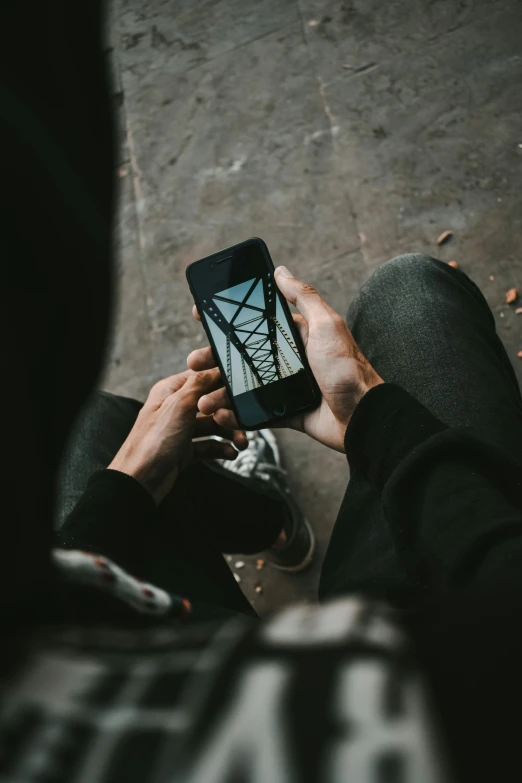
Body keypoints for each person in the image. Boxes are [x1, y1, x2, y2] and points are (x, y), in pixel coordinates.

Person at [3, 1, 522, 779]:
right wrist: (373, 416)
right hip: (413, 612)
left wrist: (127, 485)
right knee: (411, 293)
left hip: (154, 623)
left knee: (109, 437)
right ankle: (275, 517)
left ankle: (276, 524)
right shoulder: (442, 705)